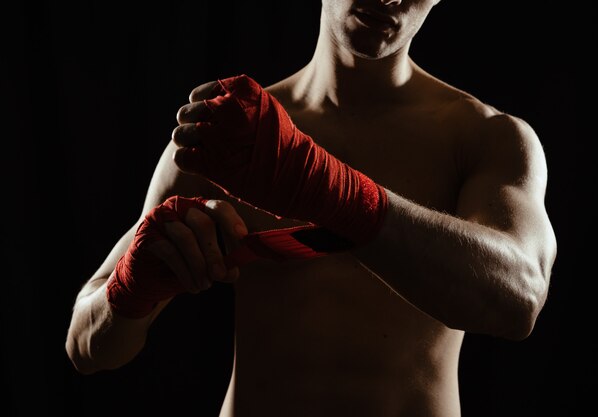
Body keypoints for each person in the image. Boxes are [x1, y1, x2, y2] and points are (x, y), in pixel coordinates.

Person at [65, 0, 557, 416]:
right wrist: (133, 286)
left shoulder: (484, 139)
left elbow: (518, 298)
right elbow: (87, 347)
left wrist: (323, 188)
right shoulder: (233, 136)